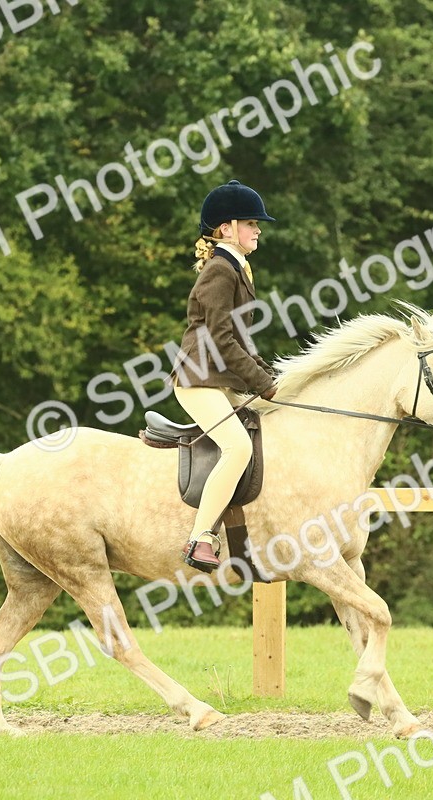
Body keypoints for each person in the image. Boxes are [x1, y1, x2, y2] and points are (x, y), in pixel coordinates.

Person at [166, 180, 280, 573]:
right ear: (226, 228)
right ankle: (199, 538)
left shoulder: (236, 268)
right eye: (251, 223)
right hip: (199, 378)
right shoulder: (220, 270)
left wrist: (269, 373)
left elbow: (242, 340)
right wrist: (261, 383)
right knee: (237, 447)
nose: (258, 229)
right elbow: (219, 340)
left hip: (219, 378)